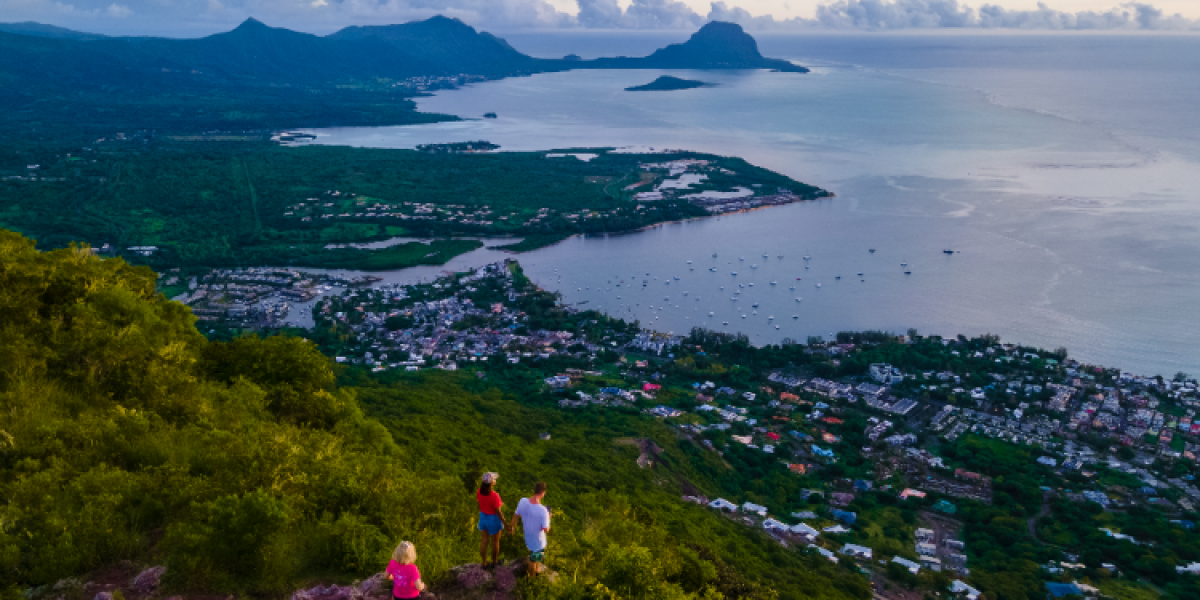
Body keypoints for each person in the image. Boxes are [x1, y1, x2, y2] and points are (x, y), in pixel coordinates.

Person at [512, 481, 551, 576]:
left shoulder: (523, 501)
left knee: (538, 554)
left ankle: (537, 570)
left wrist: (512, 526)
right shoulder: (543, 511)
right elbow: (546, 529)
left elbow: (516, 515)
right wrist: (549, 518)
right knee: (533, 560)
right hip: (538, 539)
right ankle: (531, 580)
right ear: (543, 493)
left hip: (528, 535)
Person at [477, 472, 508, 568]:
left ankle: (484, 563)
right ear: (491, 483)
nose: (495, 480)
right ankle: (494, 562)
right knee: (495, 542)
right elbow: (498, 512)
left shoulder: (479, 491)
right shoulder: (494, 496)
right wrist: (506, 524)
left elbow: (480, 505)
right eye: (494, 479)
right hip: (493, 519)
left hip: (483, 516)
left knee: (484, 541)